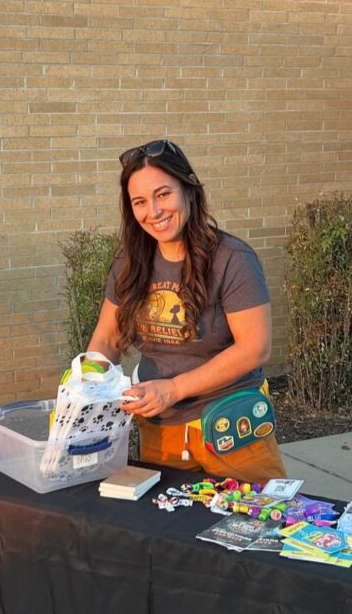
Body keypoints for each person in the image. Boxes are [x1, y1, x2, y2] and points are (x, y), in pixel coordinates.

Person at [85, 139, 287, 482]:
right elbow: (106, 338)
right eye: (140, 202)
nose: (154, 211)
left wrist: (173, 389)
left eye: (163, 194)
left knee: (259, 526)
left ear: (189, 190)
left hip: (230, 428)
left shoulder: (232, 259)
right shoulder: (129, 264)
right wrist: (86, 389)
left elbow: (255, 348)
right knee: (168, 533)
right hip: (161, 433)